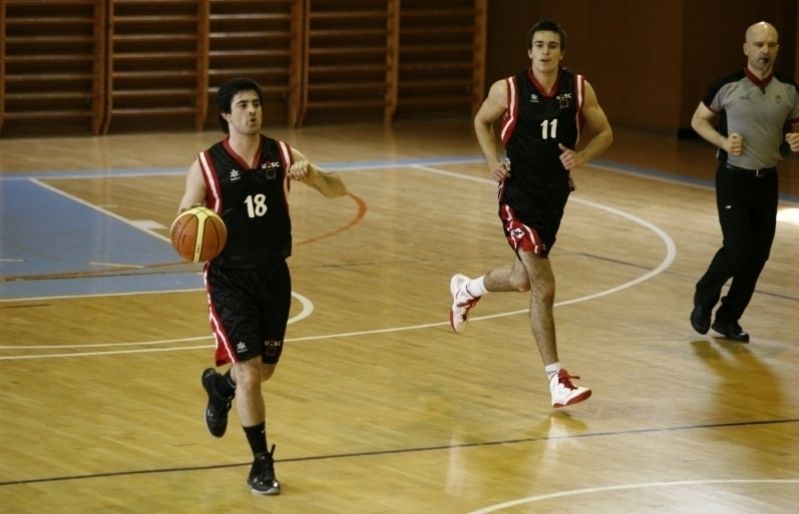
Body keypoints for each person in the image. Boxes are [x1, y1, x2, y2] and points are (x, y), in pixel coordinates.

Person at [178, 77, 348, 495]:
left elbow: (338, 191)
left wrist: (314, 175)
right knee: (250, 373)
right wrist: (196, 222)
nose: (252, 111)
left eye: (256, 104)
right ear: (226, 114)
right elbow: (184, 218)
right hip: (229, 279)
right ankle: (260, 463)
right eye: (242, 105)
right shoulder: (206, 164)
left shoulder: (283, 153)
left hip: (274, 275)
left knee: (262, 372)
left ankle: (220, 389)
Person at [449, 20, 613, 408]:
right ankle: (557, 379)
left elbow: (605, 132)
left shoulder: (578, 88)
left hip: (554, 198)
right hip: (517, 197)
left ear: (562, 52)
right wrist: (493, 160)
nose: (545, 52)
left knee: (523, 279)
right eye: (538, 45)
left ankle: (467, 289)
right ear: (529, 51)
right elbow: (481, 121)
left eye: (552, 46)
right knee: (544, 285)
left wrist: (582, 156)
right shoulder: (507, 89)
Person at [689, 21, 799, 343]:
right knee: (738, 249)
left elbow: (795, 129)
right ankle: (704, 296)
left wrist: (795, 140)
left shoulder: (789, 90)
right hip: (733, 179)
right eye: (759, 44)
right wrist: (723, 142)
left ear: (777, 49)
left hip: (767, 181)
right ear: (746, 48)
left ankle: (728, 318)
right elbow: (698, 120)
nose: (765, 50)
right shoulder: (727, 86)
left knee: (758, 255)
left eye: (772, 44)